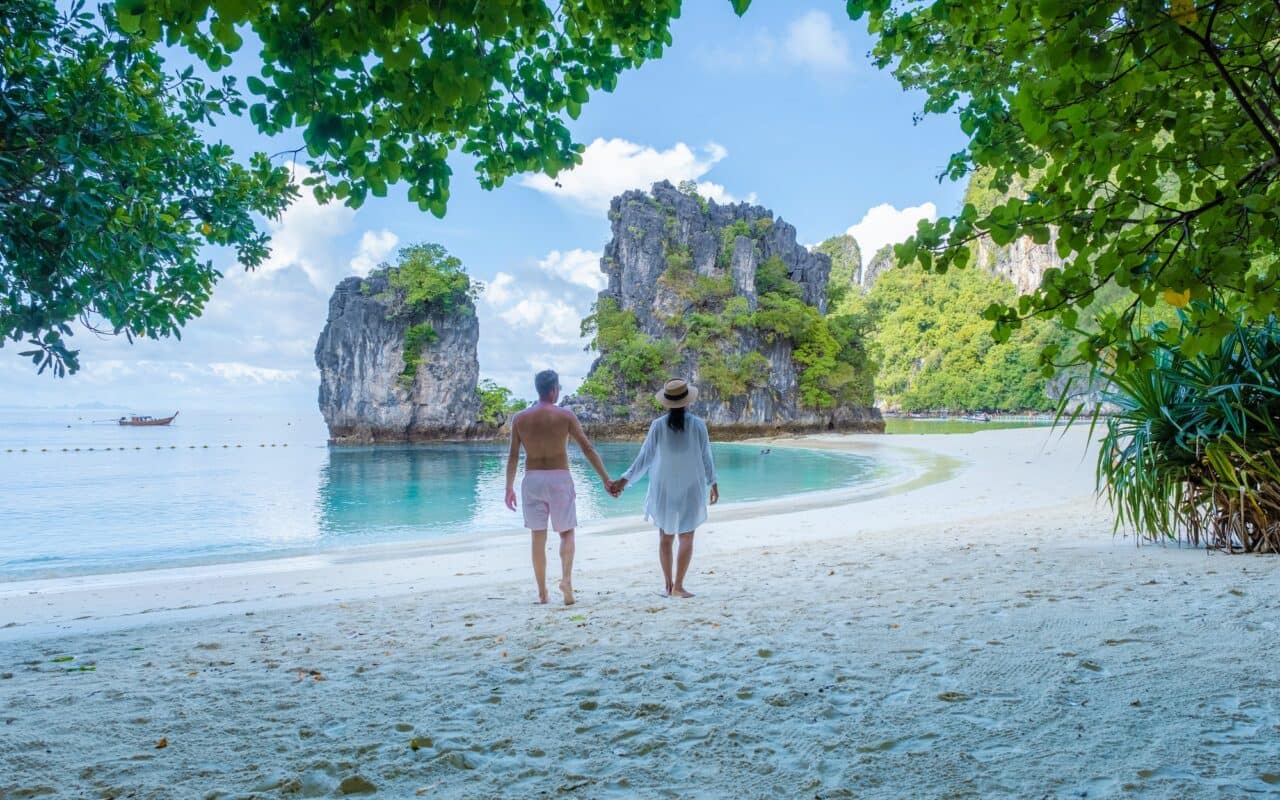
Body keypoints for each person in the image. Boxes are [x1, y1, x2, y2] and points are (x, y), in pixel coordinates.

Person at [505, 369, 613, 606]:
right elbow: (588, 449)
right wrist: (605, 478)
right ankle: (565, 580)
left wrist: (508, 488)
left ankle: (542, 593)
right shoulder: (565, 416)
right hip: (559, 478)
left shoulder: (520, 418)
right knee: (566, 533)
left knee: (538, 537)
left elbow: (513, 456)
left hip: (532, 479)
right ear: (554, 389)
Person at [610, 378, 718, 598]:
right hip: (691, 487)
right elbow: (706, 456)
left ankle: (668, 585)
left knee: (665, 538)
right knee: (686, 536)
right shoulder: (698, 425)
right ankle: (679, 585)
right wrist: (713, 482)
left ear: (667, 402)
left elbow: (645, 458)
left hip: (663, 488)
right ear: (688, 401)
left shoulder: (658, 425)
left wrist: (624, 480)